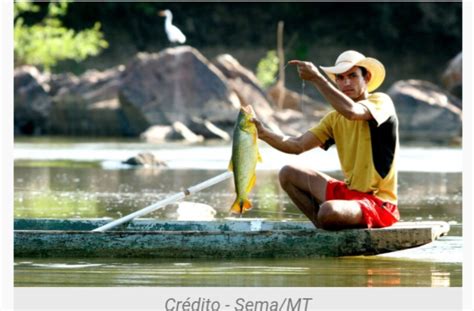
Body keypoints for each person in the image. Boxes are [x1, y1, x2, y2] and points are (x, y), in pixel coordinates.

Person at [252, 50, 399, 230]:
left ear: (366, 78)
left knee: (329, 211)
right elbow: (297, 145)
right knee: (288, 173)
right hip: (349, 195)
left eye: (352, 76)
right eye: (340, 78)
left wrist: (316, 78)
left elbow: (353, 112)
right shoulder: (333, 119)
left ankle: (326, 220)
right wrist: (263, 133)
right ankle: (322, 227)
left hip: (379, 204)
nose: (346, 83)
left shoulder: (381, 102)